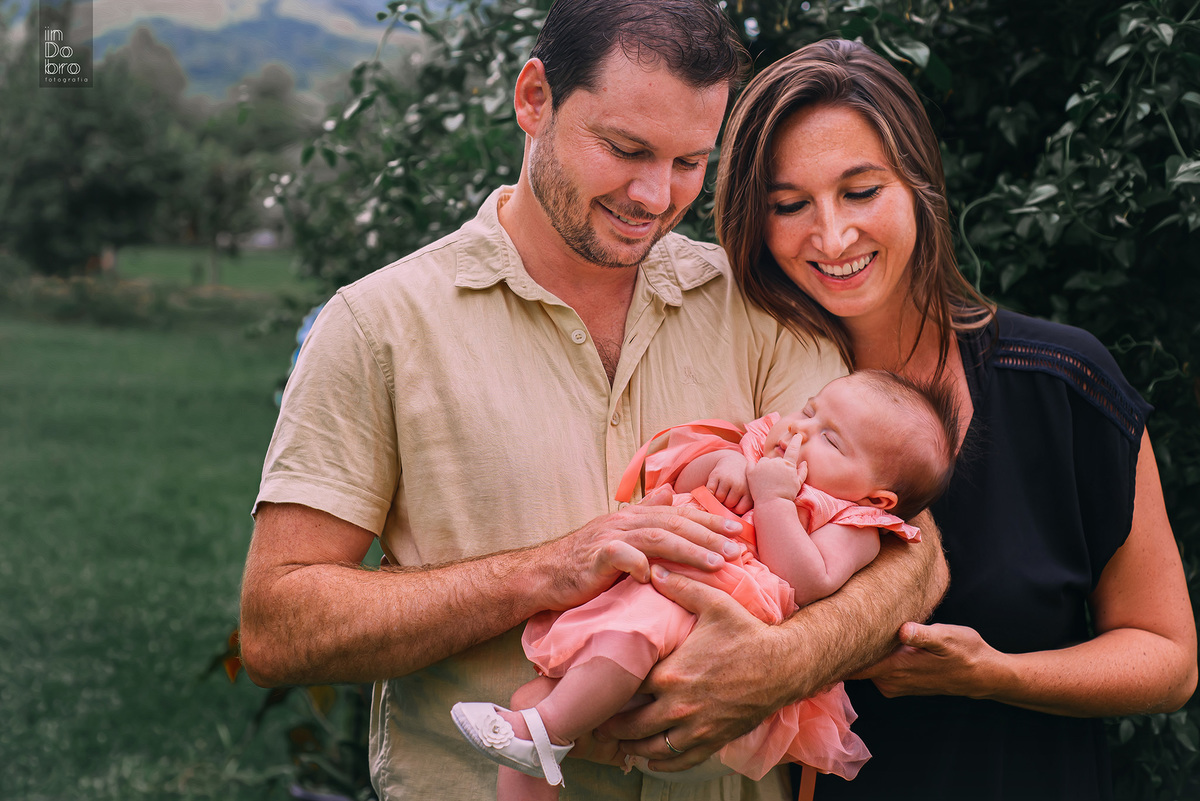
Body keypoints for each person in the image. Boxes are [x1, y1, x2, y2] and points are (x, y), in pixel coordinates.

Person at [236, 1, 950, 796]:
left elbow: (911, 555)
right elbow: (278, 626)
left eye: (690, 162)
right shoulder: (378, 327)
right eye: (625, 148)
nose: (654, 194)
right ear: (534, 98)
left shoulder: (761, 305)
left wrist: (782, 661)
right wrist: (546, 569)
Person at [706, 38, 1197, 800]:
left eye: (860, 191)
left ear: (919, 184)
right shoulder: (748, 396)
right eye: (790, 205)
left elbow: (1168, 657)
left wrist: (993, 674)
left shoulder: (1065, 384)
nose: (831, 236)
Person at [450, 369, 959, 799]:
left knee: (627, 641)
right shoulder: (759, 451)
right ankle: (538, 742)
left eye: (830, 439)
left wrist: (775, 501)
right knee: (532, 700)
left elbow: (806, 581)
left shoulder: (851, 523)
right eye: (809, 411)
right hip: (648, 594)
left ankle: (544, 735)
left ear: (877, 499)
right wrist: (725, 463)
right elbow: (679, 476)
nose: (800, 430)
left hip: (700, 632)